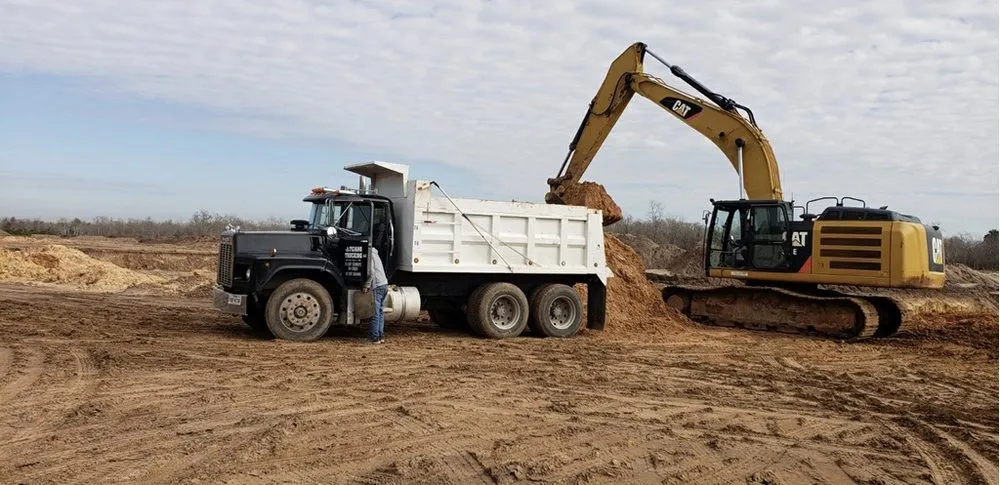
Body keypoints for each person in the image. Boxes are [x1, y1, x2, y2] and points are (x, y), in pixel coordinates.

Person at [362, 246, 389, 344]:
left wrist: (366, 285)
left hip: (377, 286)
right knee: (380, 312)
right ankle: (381, 336)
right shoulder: (376, 254)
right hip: (384, 284)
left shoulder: (370, 255)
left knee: (375, 313)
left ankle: (375, 337)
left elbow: (372, 273)